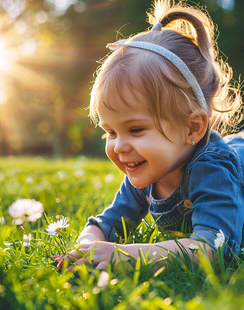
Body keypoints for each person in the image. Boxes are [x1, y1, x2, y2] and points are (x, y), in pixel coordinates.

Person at [55, 0, 244, 271]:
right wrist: (86, 248)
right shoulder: (144, 172)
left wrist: (125, 256)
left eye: (135, 130)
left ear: (192, 128)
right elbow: (107, 224)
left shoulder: (212, 169)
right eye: (110, 131)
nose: (119, 146)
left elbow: (213, 249)